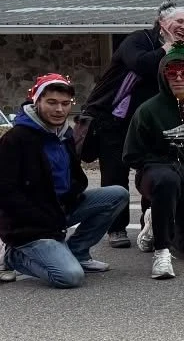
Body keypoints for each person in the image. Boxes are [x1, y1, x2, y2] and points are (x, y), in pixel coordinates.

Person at [80, 1, 184, 249]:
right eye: (179, 22)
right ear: (162, 23)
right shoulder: (137, 39)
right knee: (115, 176)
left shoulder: (182, 50)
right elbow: (140, 64)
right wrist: (169, 48)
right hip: (115, 120)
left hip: (151, 123)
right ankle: (116, 228)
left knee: (152, 173)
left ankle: (150, 223)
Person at [0, 74, 128, 288]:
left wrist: (73, 193)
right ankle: (14, 257)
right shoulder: (15, 139)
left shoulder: (64, 134)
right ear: (36, 101)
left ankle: (78, 251)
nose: (59, 109)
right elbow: (5, 193)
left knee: (117, 194)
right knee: (70, 277)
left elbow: (76, 176)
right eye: (51, 102)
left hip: (58, 212)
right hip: (28, 226)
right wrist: (45, 219)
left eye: (65, 104)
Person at [123, 45, 184, 279]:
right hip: (156, 177)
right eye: (171, 72)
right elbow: (131, 155)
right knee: (167, 181)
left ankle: (153, 221)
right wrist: (168, 165)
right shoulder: (147, 111)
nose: (178, 77)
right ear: (162, 75)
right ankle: (161, 251)